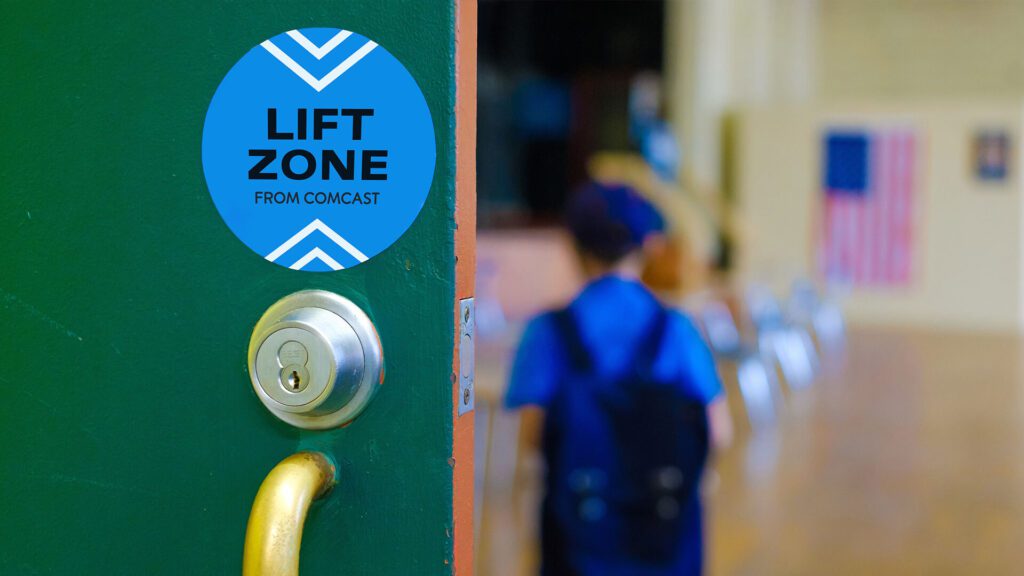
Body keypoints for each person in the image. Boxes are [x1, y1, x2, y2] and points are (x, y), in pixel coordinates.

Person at [505, 181, 732, 575]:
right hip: (663, 526)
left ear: (574, 247)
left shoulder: (550, 331)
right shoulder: (674, 328)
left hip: (579, 530)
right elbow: (718, 432)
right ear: (646, 246)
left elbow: (533, 435)